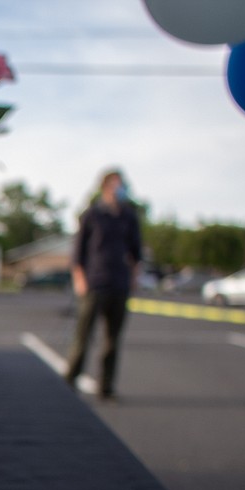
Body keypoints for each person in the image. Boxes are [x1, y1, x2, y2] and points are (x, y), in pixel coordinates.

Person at [64, 168, 143, 400]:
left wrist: (133, 278)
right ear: (106, 187)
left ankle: (106, 387)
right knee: (83, 337)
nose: (121, 189)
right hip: (94, 284)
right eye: (118, 185)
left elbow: (135, 253)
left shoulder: (129, 217)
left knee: (112, 341)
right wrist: (80, 280)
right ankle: (70, 380)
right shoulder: (92, 215)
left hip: (119, 284)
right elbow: (78, 253)